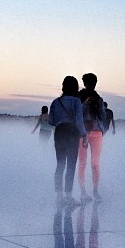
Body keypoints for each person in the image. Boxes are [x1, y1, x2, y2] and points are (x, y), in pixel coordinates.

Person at [48, 76, 88, 208]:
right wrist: (84, 135)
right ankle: (68, 196)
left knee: (60, 165)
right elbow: (79, 120)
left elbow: (51, 122)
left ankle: (59, 196)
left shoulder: (55, 102)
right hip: (72, 133)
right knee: (71, 165)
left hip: (59, 132)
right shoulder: (76, 101)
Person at [77, 73, 106, 203]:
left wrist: (100, 106)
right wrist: (85, 104)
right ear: (85, 83)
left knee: (95, 164)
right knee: (82, 163)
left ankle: (95, 189)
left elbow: (102, 117)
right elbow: (77, 115)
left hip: (97, 132)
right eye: (89, 83)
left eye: (93, 83)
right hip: (83, 132)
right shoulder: (78, 98)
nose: (91, 86)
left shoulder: (99, 99)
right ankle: (83, 191)